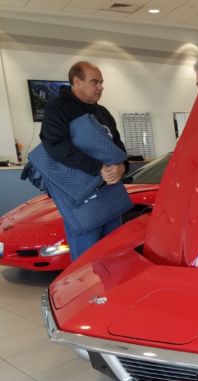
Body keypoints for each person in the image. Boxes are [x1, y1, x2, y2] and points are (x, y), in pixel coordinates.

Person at [40, 61, 127, 259]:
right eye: (94, 82)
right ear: (76, 82)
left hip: (110, 194)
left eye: (101, 82)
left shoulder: (102, 112)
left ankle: (111, 291)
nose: (101, 87)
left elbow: (118, 146)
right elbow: (56, 147)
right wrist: (99, 168)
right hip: (82, 199)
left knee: (114, 255)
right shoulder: (58, 108)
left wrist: (122, 166)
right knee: (86, 260)